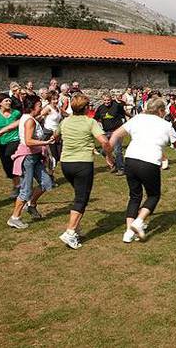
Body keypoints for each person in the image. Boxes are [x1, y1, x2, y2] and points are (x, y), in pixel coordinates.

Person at [108, 97, 176, 243]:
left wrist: (108, 154)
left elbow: (115, 134)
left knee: (134, 196)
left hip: (130, 159)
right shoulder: (166, 125)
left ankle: (128, 233)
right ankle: (138, 222)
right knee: (153, 195)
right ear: (160, 110)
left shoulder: (137, 118)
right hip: (149, 162)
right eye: (164, 111)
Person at [57, 94, 114, 249]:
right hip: (82, 164)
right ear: (87, 108)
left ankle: (76, 228)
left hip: (66, 164)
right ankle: (69, 233)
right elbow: (104, 141)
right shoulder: (91, 122)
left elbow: (55, 136)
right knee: (81, 199)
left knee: (79, 195)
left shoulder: (64, 121)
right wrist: (109, 156)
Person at [7, 95, 55, 230]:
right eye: (39, 105)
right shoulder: (29, 121)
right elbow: (28, 141)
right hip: (27, 158)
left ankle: (31, 205)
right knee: (26, 190)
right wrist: (45, 142)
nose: (41, 107)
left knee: (47, 183)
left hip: (34, 157)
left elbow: (14, 126)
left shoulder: (29, 118)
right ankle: (14, 218)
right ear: (32, 106)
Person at [0, 93, 22, 197]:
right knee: (7, 167)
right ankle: (16, 186)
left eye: (9, 101)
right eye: (6, 101)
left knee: (10, 157)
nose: (8, 102)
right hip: (1, 142)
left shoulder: (16, 113)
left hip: (15, 140)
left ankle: (20, 187)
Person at [94, 92, 127, 175]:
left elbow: (123, 114)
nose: (107, 102)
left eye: (108, 100)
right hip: (106, 131)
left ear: (111, 99)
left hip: (117, 131)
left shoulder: (116, 106)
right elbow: (95, 118)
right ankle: (115, 164)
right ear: (102, 100)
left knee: (117, 150)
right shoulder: (100, 108)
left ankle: (121, 169)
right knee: (104, 151)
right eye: (105, 100)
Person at [39, 91, 63, 165]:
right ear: (49, 100)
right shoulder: (48, 108)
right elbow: (39, 116)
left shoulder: (58, 108)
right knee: (52, 155)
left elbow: (64, 115)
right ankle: (49, 172)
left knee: (59, 154)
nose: (56, 101)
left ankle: (51, 169)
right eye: (53, 99)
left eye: (56, 99)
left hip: (57, 133)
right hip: (48, 132)